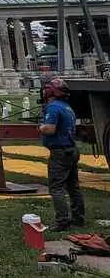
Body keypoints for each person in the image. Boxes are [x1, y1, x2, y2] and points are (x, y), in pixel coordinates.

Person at [38, 75, 85, 232]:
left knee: (56, 188)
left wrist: (41, 127)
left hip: (60, 152)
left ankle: (62, 221)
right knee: (73, 187)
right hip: (71, 149)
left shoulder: (53, 107)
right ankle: (78, 219)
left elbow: (50, 129)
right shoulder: (67, 107)